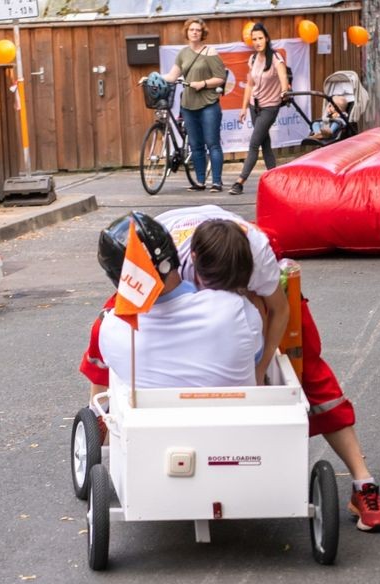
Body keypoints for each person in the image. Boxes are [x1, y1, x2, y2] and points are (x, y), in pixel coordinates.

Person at [158, 205, 380, 532]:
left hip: (241, 262)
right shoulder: (162, 258)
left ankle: (364, 485)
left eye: (233, 291)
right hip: (181, 253)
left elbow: (279, 311)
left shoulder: (257, 254)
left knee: (305, 369)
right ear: (193, 261)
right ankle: (106, 429)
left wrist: (262, 366)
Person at [85, 212, 261, 391]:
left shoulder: (110, 327)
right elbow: (255, 357)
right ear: (173, 252)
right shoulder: (236, 309)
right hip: (233, 416)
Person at [161, 18, 227, 192]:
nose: (195, 32)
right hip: (188, 104)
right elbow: (172, 76)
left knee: (212, 143)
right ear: (187, 32)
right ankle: (199, 182)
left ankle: (217, 182)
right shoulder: (183, 53)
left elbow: (221, 77)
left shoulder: (210, 52)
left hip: (208, 104)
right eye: (192, 30)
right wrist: (152, 78)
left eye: (198, 30)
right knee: (196, 145)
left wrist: (203, 84)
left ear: (202, 33)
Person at [229, 23, 291, 196]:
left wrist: (285, 91)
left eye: (260, 38)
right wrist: (243, 108)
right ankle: (276, 180)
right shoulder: (253, 59)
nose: (257, 42)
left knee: (254, 143)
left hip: (270, 107)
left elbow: (283, 79)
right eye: (254, 39)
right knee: (265, 144)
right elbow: (249, 84)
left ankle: (239, 182)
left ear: (267, 39)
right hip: (253, 106)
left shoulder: (276, 59)